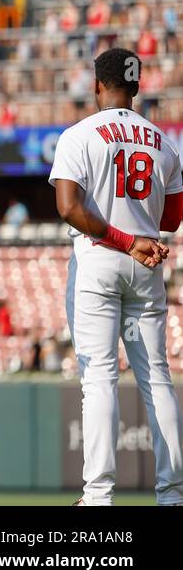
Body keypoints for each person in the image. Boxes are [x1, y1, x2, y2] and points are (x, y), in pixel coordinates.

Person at [49, 47, 183, 506]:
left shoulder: (79, 133)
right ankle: (172, 494)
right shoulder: (162, 141)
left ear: (96, 85)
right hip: (147, 263)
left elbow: (68, 207)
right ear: (139, 86)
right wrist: (138, 233)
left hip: (101, 256)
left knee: (100, 378)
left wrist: (124, 239)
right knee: (158, 379)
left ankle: (99, 497)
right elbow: (174, 217)